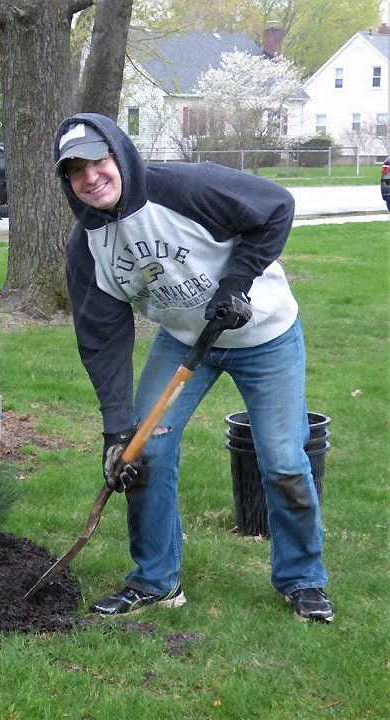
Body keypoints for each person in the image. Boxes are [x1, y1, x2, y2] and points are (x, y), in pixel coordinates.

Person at [53, 113, 333, 623]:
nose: (90, 177)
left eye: (98, 161)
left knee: (283, 459)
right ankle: (156, 581)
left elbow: (276, 206)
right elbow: (102, 341)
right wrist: (118, 430)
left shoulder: (184, 187)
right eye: (75, 171)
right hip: (186, 339)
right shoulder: (86, 249)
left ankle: (303, 580)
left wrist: (236, 284)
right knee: (145, 451)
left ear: (118, 154)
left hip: (264, 332)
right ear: (67, 183)